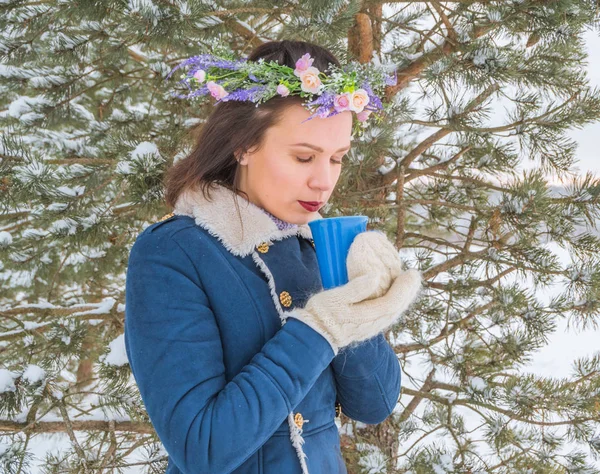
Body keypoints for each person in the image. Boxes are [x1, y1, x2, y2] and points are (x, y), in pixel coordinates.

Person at [124, 40, 423, 474]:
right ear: (243, 146)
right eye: (304, 157)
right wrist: (321, 327)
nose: (324, 182)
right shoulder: (174, 253)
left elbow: (374, 404)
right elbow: (202, 450)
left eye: (338, 159)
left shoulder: (315, 248)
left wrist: (364, 305)